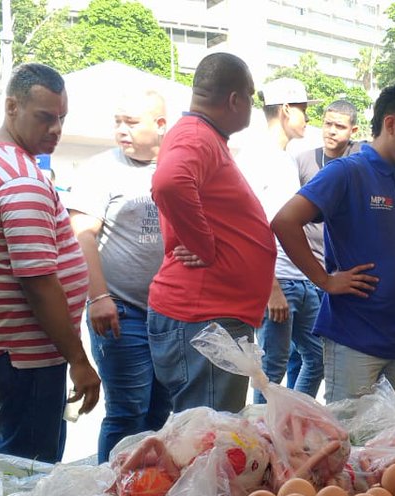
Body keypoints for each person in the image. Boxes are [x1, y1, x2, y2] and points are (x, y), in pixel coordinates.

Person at [272, 82, 395, 404]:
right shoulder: (347, 172)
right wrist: (324, 280)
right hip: (355, 338)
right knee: (351, 440)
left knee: (390, 441)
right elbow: (284, 221)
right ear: (391, 124)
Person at [0, 63, 101, 464]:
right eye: (45, 118)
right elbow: (39, 281)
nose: (56, 129)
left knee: (17, 459)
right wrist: (79, 360)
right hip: (27, 353)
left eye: (61, 119)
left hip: (6, 345)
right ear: (12, 107)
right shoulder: (20, 178)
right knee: (29, 472)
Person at [148, 53, 276, 414]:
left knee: (211, 436)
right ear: (235, 100)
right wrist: (202, 244)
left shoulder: (201, 136)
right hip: (204, 317)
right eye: (251, 97)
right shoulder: (197, 136)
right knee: (209, 441)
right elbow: (170, 183)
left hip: (209, 316)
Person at [67, 90, 170, 464]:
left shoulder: (177, 165)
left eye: (131, 122)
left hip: (169, 313)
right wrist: (98, 297)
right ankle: (108, 494)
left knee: (161, 412)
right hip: (120, 310)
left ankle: (145, 487)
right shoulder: (100, 169)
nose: (121, 130)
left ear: (160, 125)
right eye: (117, 122)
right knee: (128, 412)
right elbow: (82, 234)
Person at [236, 78, 317, 404]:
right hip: (276, 281)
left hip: (300, 279)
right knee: (272, 368)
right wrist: (270, 288)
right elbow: (248, 226)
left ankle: (294, 419)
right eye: (303, 111)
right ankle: (266, 438)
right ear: (285, 110)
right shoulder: (255, 157)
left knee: (317, 356)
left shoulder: (287, 158)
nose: (307, 120)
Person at [288, 99, 364, 394]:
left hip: (339, 270)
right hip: (304, 268)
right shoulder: (304, 160)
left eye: (339, 126)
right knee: (299, 354)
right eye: (327, 123)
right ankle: (288, 413)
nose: (331, 131)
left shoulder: (360, 157)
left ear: (353, 130)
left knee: (325, 353)